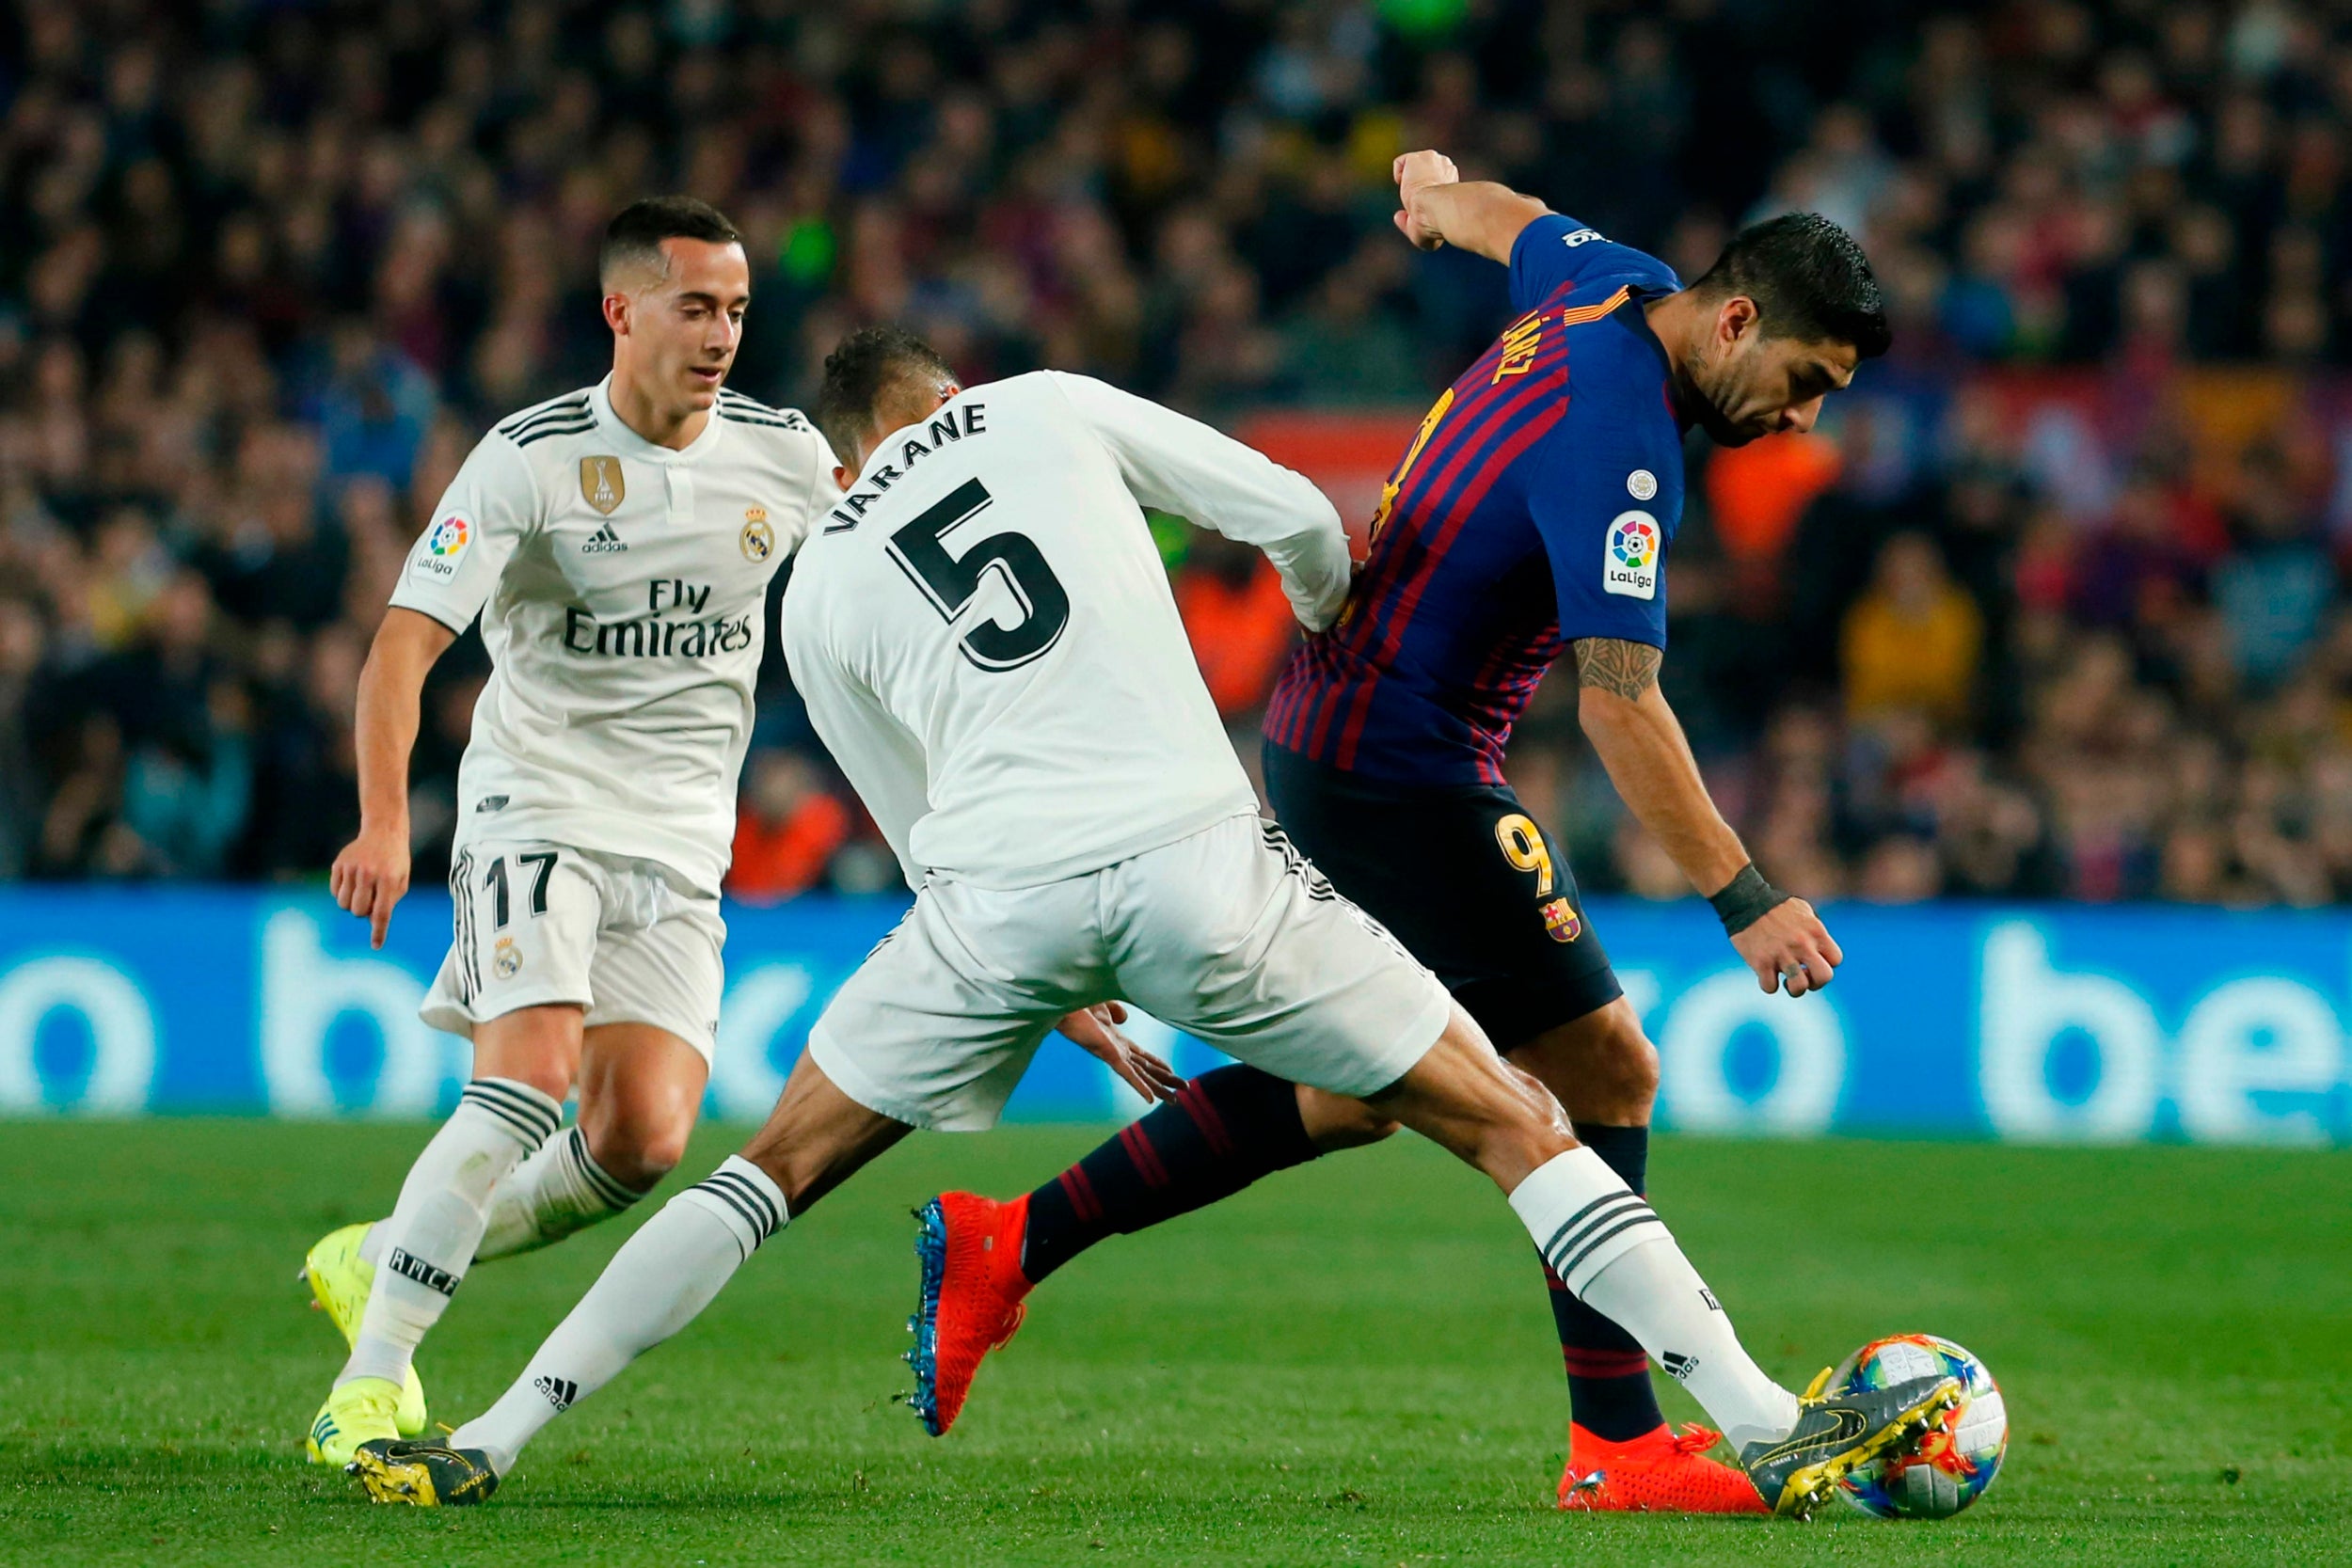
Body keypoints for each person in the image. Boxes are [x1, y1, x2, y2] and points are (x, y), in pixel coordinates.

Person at [342, 326, 1956, 1518]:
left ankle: (495, 1428)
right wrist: (1328, 615)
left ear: (837, 459)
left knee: (769, 1172)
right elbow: (1298, 516)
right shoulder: (1040, 408)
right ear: (945, 393)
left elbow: (911, 826)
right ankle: (1753, 1415)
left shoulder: (816, 578)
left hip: (989, 909)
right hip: (1197, 862)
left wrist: (1047, 995)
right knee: (1520, 1115)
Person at [916, 150, 1886, 1514]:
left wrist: (1433, 194)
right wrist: (1747, 897)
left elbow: (1506, 220)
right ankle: (1618, 1445)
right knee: (1600, 1067)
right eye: (1805, 382)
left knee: (1376, 1080)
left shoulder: (1611, 285)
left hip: (1345, 735)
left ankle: (1009, 1243)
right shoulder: (1625, 449)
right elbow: (1620, 705)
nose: (1800, 418)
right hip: (1402, 767)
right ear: (1738, 323)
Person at [299, 197, 839, 1466]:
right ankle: (370, 1381)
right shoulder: (531, 458)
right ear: (623, 310)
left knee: (642, 1138)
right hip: (534, 805)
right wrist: (385, 823)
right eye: (697, 307)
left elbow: (885, 602)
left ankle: (383, 1255)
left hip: (681, 841)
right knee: (527, 1079)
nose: (722, 335)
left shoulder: (786, 459)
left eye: (739, 311)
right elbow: (401, 648)